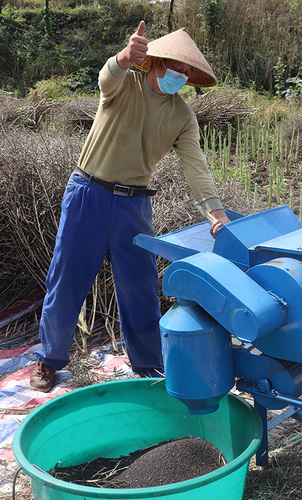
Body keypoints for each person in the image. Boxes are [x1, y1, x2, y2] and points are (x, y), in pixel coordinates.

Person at [29, 22, 231, 392]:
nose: (182, 75)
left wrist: (215, 213)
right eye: (177, 67)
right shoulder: (126, 85)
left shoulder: (182, 115)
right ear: (155, 62)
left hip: (134, 206)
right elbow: (107, 78)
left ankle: (149, 366)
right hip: (88, 194)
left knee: (140, 289)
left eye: (187, 71)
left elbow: (195, 165)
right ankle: (48, 360)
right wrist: (123, 57)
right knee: (67, 280)